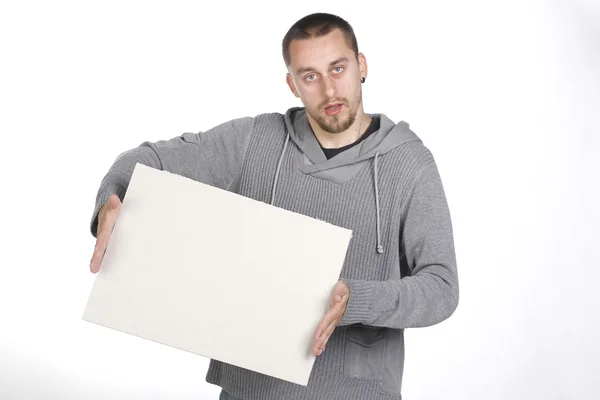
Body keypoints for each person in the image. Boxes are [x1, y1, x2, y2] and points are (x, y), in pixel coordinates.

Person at [88, 12, 459, 400]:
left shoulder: (409, 165)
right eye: (310, 76)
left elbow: (442, 288)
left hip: (356, 391)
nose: (330, 91)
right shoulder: (255, 140)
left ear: (361, 66)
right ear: (292, 84)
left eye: (338, 68)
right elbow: (148, 158)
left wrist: (360, 299)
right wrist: (113, 197)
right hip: (250, 389)